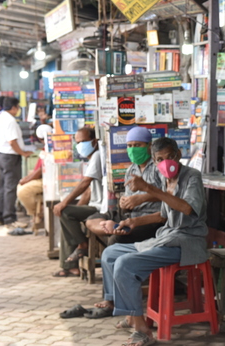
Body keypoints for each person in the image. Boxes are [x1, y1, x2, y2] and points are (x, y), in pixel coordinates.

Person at [99, 137, 207, 346]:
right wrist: (133, 221)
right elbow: (164, 216)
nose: (166, 162)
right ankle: (131, 314)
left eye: (170, 157)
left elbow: (186, 208)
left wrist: (150, 189)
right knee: (110, 254)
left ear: (178, 154)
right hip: (167, 236)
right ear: (155, 161)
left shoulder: (191, 176)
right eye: (159, 159)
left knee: (125, 264)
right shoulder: (166, 178)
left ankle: (142, 329)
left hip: (187, 241)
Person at [58, 126, 165, 320]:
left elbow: (169, 196)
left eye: (138, 145)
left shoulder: (159, 167)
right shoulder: (131, 169)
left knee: (114, 242)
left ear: (148, 146)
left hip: (150, 219)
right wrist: (126, 202)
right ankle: (114, 227)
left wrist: (141, 199)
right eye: (130, 145)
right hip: (130, 214)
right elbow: (129, 198)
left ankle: (111, 299)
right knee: (92, 219)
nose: (133, 149)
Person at [53, 127, 103, 277]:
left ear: (94, 141)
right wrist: (76, 209)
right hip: (93, 205)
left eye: (83, 141)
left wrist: (65, 203)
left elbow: (85, 183)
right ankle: (69, 266)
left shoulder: (98, 155)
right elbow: (88, 191)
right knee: (66, 216)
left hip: (100, 208)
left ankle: (82, 245)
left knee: (65, 211)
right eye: (78, 142)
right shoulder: (92, 159)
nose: (80, 145)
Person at [0, 97, 33, 228]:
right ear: (14, 107)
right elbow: (12, 142)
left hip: (1, 155)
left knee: (2, 186)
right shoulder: (10, 121)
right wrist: (23, 153)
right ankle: (10, 219)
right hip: (10, 157)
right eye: (18, 107)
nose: (18, 110)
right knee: (10, 188)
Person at [16, 124, 52, 227]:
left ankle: (37, 213)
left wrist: (27, 180)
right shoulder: (45, 148)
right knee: (20, 187)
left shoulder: (49, 148)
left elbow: (40, 171)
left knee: (23, 191)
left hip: (44, 179)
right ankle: (37, 212)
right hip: (40, 177)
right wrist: (27, 178)